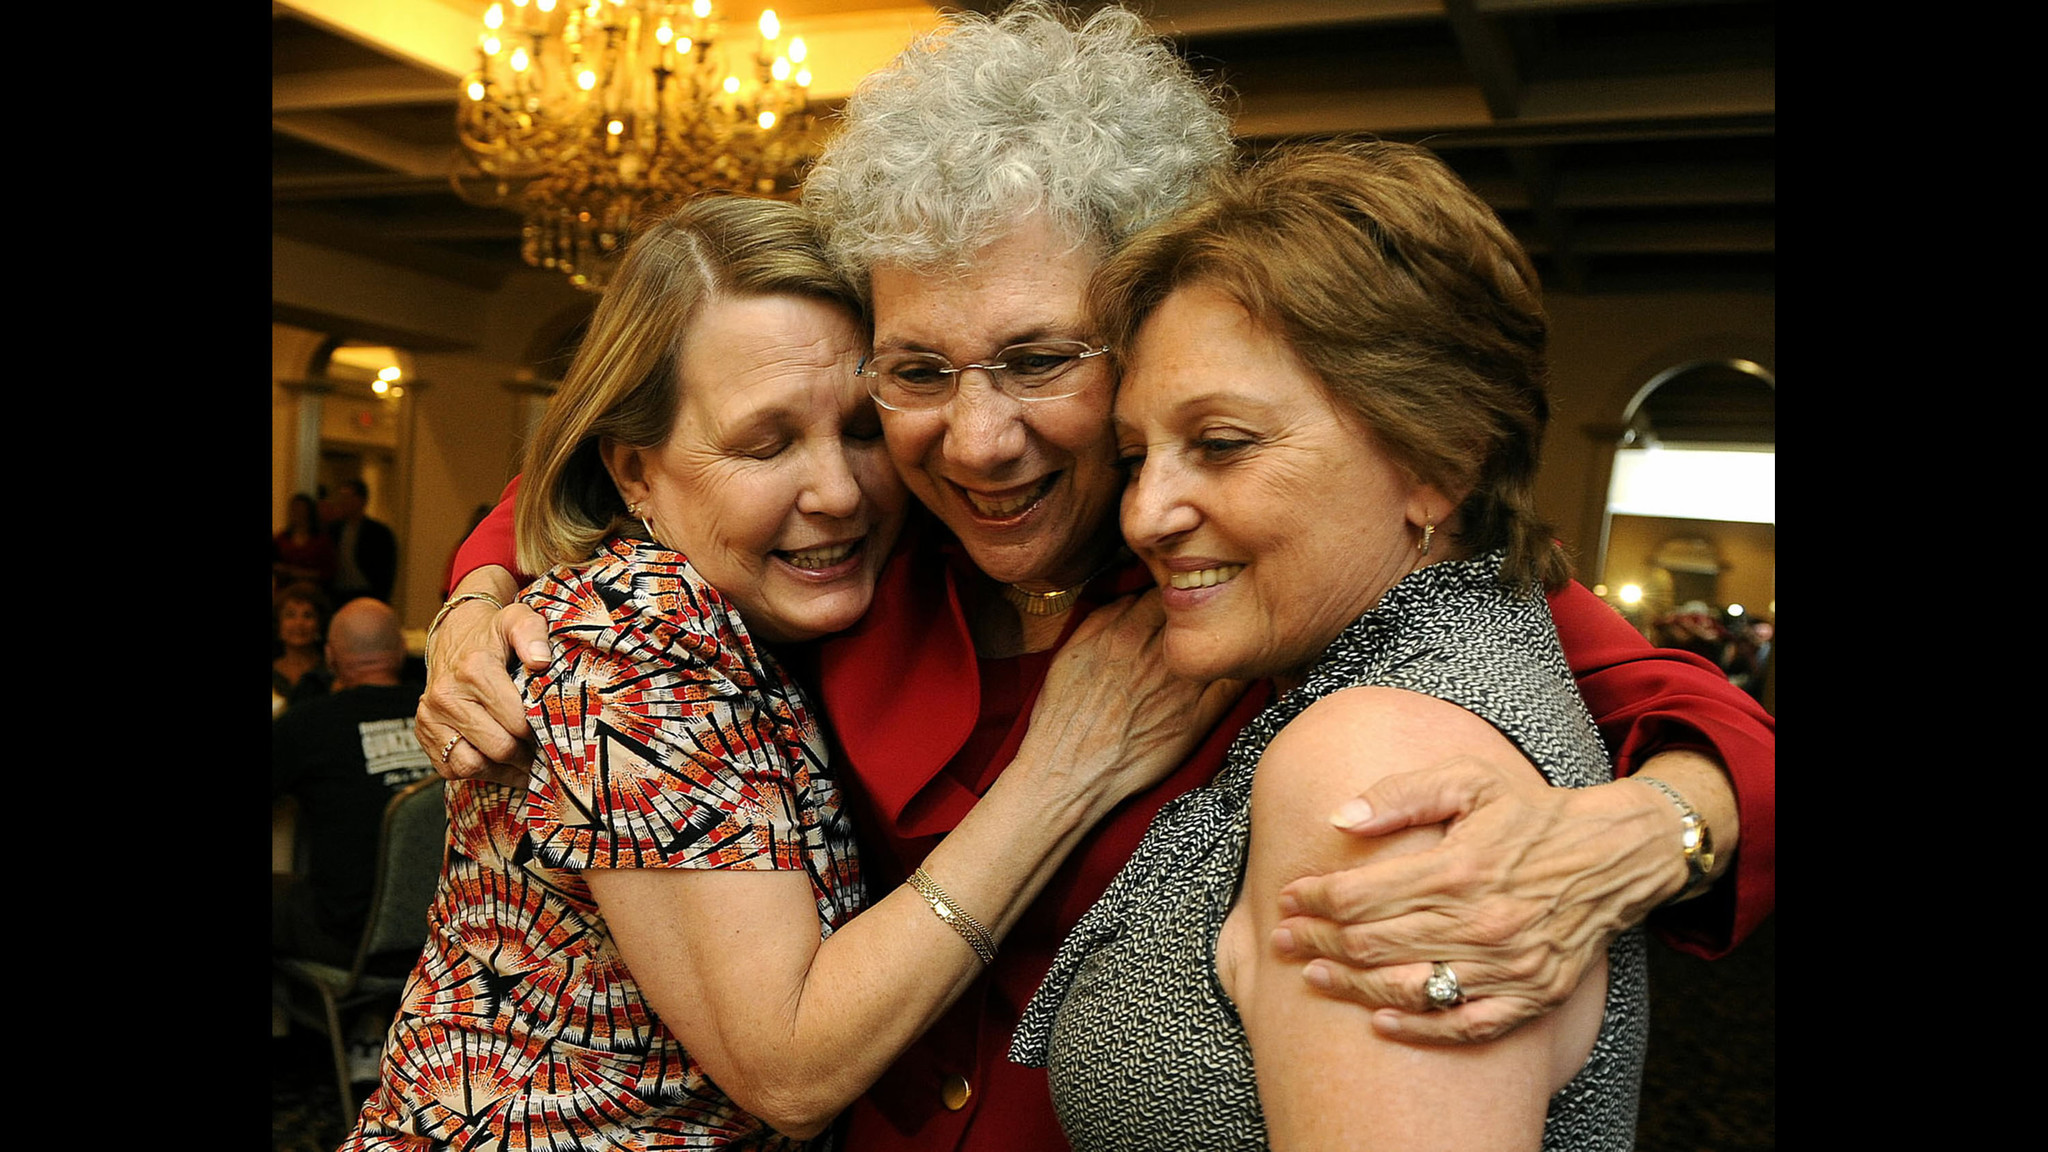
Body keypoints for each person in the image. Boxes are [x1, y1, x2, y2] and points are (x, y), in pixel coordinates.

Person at [418, 5, 1775, 1148]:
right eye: (919, 371)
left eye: (1038, 359)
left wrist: (1654, 828)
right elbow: (661, 482)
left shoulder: (1246, 580)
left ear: (1145, 334)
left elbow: (1677, 708)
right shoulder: (869, 555)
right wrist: (483, 588)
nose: (978, 439)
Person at [344, 196, 1226, 1150]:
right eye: (766, 446)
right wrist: (1065, 767)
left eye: (860, 428)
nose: (839, 492)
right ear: (636, 473)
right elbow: (790, 1070)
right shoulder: (629, 635)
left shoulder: (818, 572)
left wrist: (478, 581)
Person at [1012, 139, 1645, 1149]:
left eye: (1220, 444)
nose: (1145, 514)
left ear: (1435, 457)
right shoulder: (1423, 667)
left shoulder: (1375, 765)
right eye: (1136, 456)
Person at [273, 597, 435, 968]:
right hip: (445, 934)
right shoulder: (444, 712)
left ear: (329, 657)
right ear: (399, 650)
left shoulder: (310, 724)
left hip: (348, 937)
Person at [328, 477, 399, 604]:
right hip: (338, 593)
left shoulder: (379, 533)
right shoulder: (333, 530)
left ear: (361, 500)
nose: (343, 502)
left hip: (367, 592)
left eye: (347, 497)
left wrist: (381, 596)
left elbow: (386, 569)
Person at [272, 580, 332, 711]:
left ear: (319, 624)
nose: (299, 624)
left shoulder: (330, 672)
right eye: (290, 615)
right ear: (278, 624)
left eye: (308, 615)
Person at [273, 491, 337, 592]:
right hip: (286, 591)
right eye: (295, 509)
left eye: (301, 509)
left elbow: (328, 571)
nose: (298, 513)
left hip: (312, 591)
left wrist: (299, 573)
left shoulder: (321, 540)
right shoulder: (282, 538)